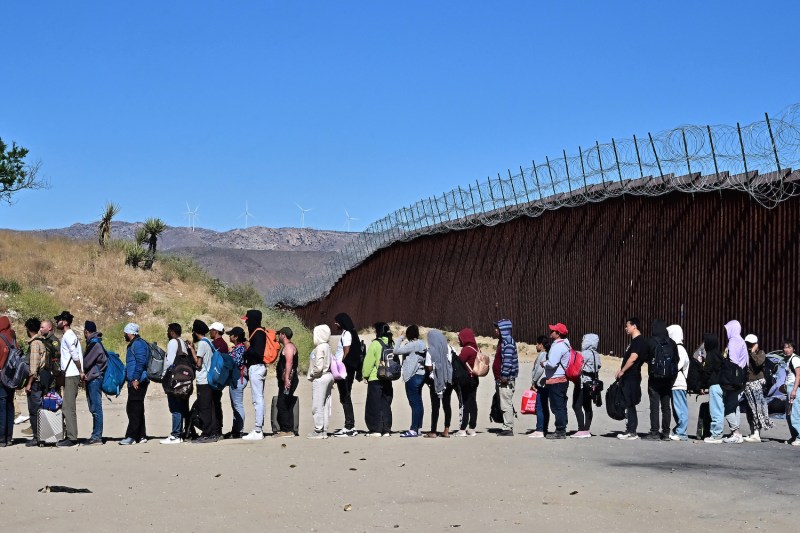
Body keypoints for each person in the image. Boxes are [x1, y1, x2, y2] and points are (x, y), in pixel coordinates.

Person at [616, 318, 650, 440]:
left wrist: (622, 371)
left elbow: (633, 358)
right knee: (628, 403)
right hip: (629, 376)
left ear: (634, 326)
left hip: (632, 376)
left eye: (627, 326)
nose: (626, 328)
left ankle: (631, 431)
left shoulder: (639, 341)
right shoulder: (634, 341)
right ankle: (630, 429)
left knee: (630, 403)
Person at [644, 320, 678, 441]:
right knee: (666, 407)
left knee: (654, 406)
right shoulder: (672, 343)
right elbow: (676, 359)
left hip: (655, 378)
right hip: (668, 379)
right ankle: (666, 433)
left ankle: (654, 432)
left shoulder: (651, 341)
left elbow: (645, 357)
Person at [55, 311, 84, 448]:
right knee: (67, 406)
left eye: (59, 320)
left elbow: (75, 355)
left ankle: (72, 439)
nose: (57, 322)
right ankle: (70, 436)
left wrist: (80, 371)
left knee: (68, 407)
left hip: (72, 374)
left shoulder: (68, 335)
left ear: (65, 322)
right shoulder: (68, 335)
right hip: (71, 374)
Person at [188, 319, 220, 443]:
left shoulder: (202, 343)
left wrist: (192, 352)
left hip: (203, 380)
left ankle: (206, 434)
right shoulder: (209, 342)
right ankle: (212, 432)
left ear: (196, 332)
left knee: (204, 408)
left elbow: (199, 363)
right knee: (210, 407)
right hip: (210, 380)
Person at [332, 313, 362, 437]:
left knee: (345, 396)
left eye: (337, 322)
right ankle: (349, 425)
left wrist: (341, 367)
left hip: (345, 370)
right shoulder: (346, 333)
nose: (336, 324)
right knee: (344, 397)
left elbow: (347, 351)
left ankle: (349, 426)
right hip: (345, 369)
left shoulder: (348, 334)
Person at [394, 325, 427, 438]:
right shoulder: (422, 344)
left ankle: (413, 429)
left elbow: (396, 350)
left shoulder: (411, 345)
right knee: (418, 402)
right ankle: (418, 428)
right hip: (421, 375)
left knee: (414, 403)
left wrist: (401, 338)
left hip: (412, 376)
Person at [120, 323, 149, 445]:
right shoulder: (135, 344)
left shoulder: (138, 344)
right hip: (135, 380)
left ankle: (131, 436)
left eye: (125, 333)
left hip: (138, 381)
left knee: (133, 409)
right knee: (137, 408)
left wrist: (136, 378)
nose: (124, 335)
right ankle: (141, 435)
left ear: (130, 333)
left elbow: (141, 362)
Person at [741, 334, 774, 443]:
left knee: (757, 409)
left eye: (751, 344)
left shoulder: (761, 353)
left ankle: (756, 433)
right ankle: (753, 432)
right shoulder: (746, 353)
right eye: (747, 344)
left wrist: (752, 352)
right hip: (747, 384)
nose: (749, 346)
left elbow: (758, 363)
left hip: (756, 384)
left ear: (756, 344)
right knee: (750, 409)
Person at [362, 322, 394, 437]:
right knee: (386, 403)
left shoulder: (376, 344)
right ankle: (386, 429)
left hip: (376, 377)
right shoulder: (391, 343)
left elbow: (368, 362)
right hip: (388, 377)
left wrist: (365, 375)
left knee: (373, 404)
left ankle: (376, 429)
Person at [719, 320, 748, 444]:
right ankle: (736, 432)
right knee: (734, 405)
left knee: (729, 407)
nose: (726, 332)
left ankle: (736, 433)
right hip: (741, 378)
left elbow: (732, 360)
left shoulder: (733, 341)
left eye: (727, 329)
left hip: (732, 379)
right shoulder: (741, 340)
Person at [161, 323, 189, 444]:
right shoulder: (182, 342)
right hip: (184, 378)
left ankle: (175, 435)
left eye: (168, 331)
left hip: (175, 378)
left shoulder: (173, 342)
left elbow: (169, 361)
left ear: (172, 332)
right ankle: (182, 433)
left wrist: (162, 374)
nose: (167, 333)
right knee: (182, 405)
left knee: (175, 406)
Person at [241, 309, 267, 441]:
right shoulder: (256, 332)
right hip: (256, 368)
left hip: (257, 368)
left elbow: (258, 353)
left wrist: (247, 347)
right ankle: (258, 428)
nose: (246, 323)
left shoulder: (259, 334)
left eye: (247, 320)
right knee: (258, 399)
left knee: (258, 399)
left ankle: (258, 430)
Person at [543, 323, 571, 440]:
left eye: (553, 331)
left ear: (558, 334)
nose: (551, 333)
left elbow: (552, 363)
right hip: (561, 380)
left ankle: (560, 430)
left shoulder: (558, 346)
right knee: (561, 405)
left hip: (556, 381)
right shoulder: (564, 345)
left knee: (557, 406)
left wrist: (543, 363)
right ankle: (562, 427)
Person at [307, 324, 334, 439]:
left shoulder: (320, 347)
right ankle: (323, 429)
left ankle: (318, 429)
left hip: (321, 377)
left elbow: (318, 366)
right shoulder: (327, 346)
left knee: (317, 405)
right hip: (328, 376)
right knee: (325, 404)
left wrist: (312, 374)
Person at [82, 321, 107, 445]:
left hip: (95, 379)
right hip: (94, 378)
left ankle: (97, 436)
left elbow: (86, 363)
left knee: (96, 408)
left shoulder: (94, 344)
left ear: (86, 331)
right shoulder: (95, 343)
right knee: (94, 408)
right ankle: (95, 434)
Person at [426, 329, 454, 438]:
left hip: (435, 381)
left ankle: (433, 431)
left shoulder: (430, 351)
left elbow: (429, 367)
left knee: (435, 406)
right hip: (448, 380)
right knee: (447, 405)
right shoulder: (449, 348)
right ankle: (446, 430)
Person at [493, 319, 519, 437]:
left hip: (506, 379)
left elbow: (508, 361)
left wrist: (504, 375)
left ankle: (508, 427)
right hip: (500, 379)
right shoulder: (502, 341)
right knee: (503, 402)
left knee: (506, 403)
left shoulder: (507, 341)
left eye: (497, 328)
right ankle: (505, 425)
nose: (495, 330)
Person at [572, 333, 600, 438]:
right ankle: (587, 428)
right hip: (592, 383)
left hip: (583, 383)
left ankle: (581, 429)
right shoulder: (596, 354)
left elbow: (578, 367)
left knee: (576, 405)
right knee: (587, 406)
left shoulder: (584, 354)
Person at [453, 328, 480, 437]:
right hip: (475, 378)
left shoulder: (466, 350)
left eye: (460, 338)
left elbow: (459, 363)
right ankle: (472, 428)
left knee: (465, 403)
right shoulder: (476, 348)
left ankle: (463, 428)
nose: (459, 341)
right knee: (473, 402)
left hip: (467, 379)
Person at [23, 318, 46, 447]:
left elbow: (33, 368)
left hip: (36, 382)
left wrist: (29, 384)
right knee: (40, 409)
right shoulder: (42, 341)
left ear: (28, 329)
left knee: (34, 410)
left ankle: (37, 438)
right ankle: (42, 436)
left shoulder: (34, 344)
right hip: (43, 380)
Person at [667, 324, 690, 441]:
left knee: (680, 408)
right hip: (675, 384)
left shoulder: (679, 349)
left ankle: (682, 432)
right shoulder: (676, 347)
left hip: (678, 383)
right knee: (677, 408)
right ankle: (678, 430)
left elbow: (677, 366)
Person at [275, 327, 298, 437]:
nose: (278, 336)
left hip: (288, 380)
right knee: (286, 403)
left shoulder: (288, 347)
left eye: (279, 334)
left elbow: (289, 362)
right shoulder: (288, 346)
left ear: (283, 335)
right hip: (287, 380)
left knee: (282, 403)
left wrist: (287, 379)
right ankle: (288, 429)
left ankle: (287, 430)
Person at [702, 332, 725, 443]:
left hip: (714, 386)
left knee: (716, 411)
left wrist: (701, 384)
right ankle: (718, 433)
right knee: (720, 410)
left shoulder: (710, 355)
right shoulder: (718, 354)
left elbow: (707, 371)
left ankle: (716, 434)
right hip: (721, 385)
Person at [227, 326, 248, 439]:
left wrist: (229, 353)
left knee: (237, 405)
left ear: (236, 337)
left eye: (231, 334)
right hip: (238, 379)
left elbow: (235, 362)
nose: (229, 336)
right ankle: (236, 430)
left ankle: (239, 431)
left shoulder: (239, 349)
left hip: (238, 379)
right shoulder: (239, 347)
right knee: (235, 405)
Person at [0, 316, 18, 446]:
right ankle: (9, 437)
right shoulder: (13, 338)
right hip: (12, 376)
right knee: (10, 405)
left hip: (1, 376)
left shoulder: (0, 339)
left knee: (1, 405)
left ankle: (2, 437)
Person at [528, 336, 551, 438]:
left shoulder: (543, 355)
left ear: (541, 345)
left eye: (537, 344)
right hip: (547, 384)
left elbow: (539, 370)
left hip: (541, 384)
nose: (536, 346)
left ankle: (540, 429)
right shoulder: (548, 354)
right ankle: (544, 428)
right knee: (545, 407)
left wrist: (534, 381)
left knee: (540, 407)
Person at [782, 340, 800, 446]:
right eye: (785, 347)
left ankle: (799, 436)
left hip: (794, 387)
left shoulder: (795, 359)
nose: (787, 349)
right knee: (788, 414)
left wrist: (794, 390)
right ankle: (794, 436)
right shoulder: (787, 360)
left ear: (793, 348)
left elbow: (798, 375)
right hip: (789, 387)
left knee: (795, 413)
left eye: (789, 347)